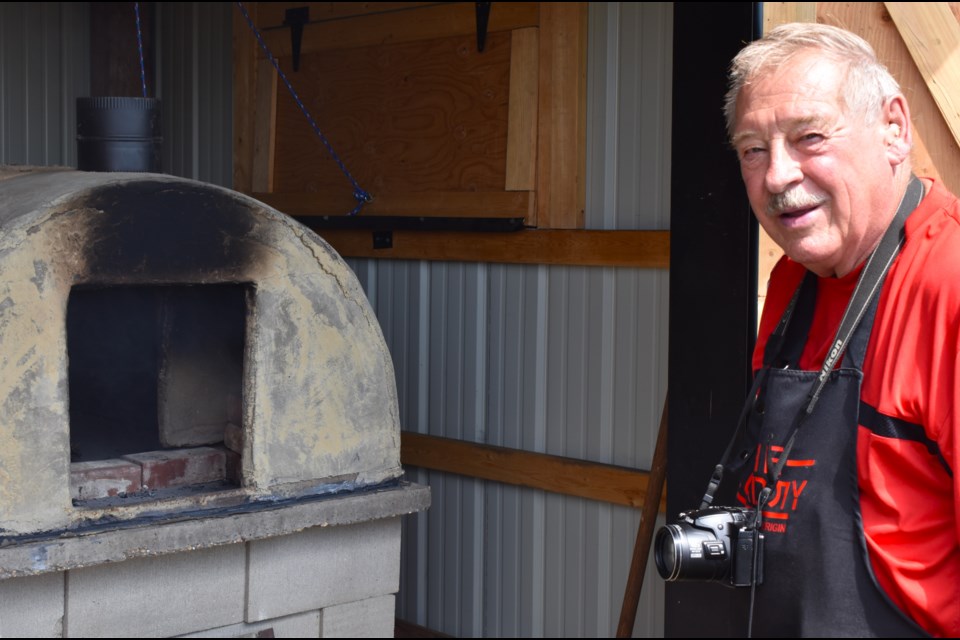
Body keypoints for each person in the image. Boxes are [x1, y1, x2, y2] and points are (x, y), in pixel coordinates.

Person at [719, 22, 960, 637]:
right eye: (753, 149)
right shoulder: (792, 283)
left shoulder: (947, 283)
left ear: (894, 129)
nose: (776, 177)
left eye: (810, 138)